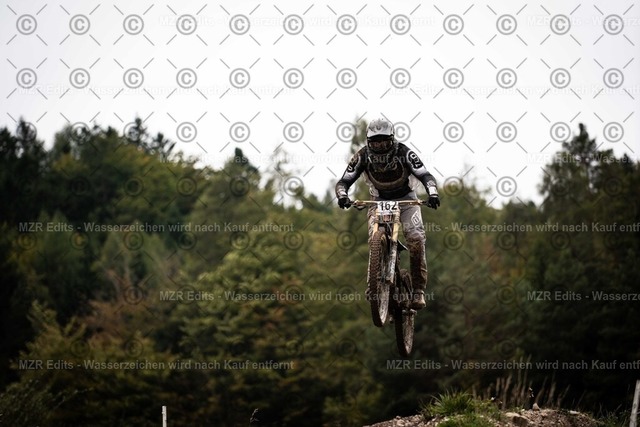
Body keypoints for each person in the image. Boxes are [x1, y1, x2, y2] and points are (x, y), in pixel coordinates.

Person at [335, 118, 440, 309]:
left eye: (384, 141)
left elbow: (424, 174)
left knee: (416, 238)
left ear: (392, 139)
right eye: (375, 142)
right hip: (378, 200)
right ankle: (373, 284)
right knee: (374, 238)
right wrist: (342, 196)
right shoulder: (362, 156)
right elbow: (344, 181)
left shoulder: (404, 152)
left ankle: (418, 290)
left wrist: (432, 193)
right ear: (368, 142)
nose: (380, 146)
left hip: (407, 200)